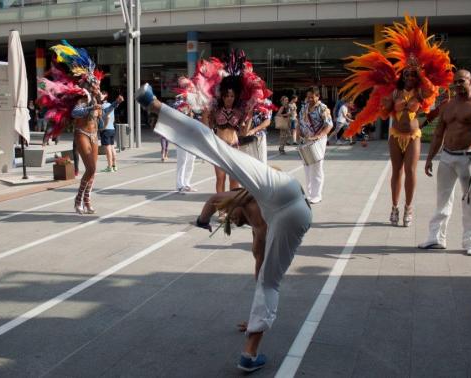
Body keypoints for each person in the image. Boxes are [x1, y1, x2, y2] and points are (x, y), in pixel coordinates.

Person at [136, 83, 312, 373]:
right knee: (218, 148)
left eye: (236, 220)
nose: (239, 223)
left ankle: (155, 106)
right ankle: (249, 354)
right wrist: (203, 220)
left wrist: (203, 221)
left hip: (287, 201)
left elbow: (213, 201)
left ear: (237, 211)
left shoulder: (248, 206)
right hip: (291, 202)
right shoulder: (249, 205)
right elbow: (214, 202)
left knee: (218, 149)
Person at [339, 16, 453, 227]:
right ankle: (394, 208)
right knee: (396, 171)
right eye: (407, 73)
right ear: (402, 76)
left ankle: (408, 209)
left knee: (410, 171)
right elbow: (383, 115)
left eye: (413, 74)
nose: (409, 76)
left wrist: (421, 73)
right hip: (395, 135)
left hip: (413, 136)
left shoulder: (421, 92)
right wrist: (386, 105)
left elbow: (429, 99)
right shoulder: (394, 92)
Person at [37, 40, 122, 214]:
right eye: (96, 85)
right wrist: (92, 107)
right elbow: (76, 112)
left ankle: (87, 200)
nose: (98, 87)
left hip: (94, 134)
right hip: (82, 133)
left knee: (93, 171)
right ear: (90, 85)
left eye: (99, 85)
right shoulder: (83, 97)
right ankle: (78, 200)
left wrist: (115, 104)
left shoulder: (97, 99)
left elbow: (104, 114)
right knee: (90, 168)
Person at [419, 69, 471, 256]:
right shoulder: (447, 106)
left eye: (462, 81)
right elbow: (438, 134)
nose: (458, 85)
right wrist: (429, 158)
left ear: (470, 81)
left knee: (470, 201)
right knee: (442, 199)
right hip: (446, 156)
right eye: (455, 82)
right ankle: (436, 238)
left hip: (468, 158)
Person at [298, 86, 333, 204]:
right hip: (306, 140)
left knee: (316, 167)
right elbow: (299, 122)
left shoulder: (322, 108)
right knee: (307, 167)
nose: (309, 99)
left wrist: (319, 136)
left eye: (312, 97)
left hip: (318, 140)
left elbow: (329, 125)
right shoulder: (304, 107)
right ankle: (310, 194)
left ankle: (317, 195)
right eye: (308, 97)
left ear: (318, 96)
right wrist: (299, 134)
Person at [173, 96, 197, 192]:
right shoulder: (179, 102)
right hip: (181, 137)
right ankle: (180, 184)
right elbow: (178, 116)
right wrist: (186, 110)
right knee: (182, 160)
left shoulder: (195, 102)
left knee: (191, 160)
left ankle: (187, 183)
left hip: (192, 137)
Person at [240, 99, 272, 164]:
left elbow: (267, 121)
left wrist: (254, 130)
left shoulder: (267, 103)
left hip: (259, 137)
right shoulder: (244, 101)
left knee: (261, 163)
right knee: (246, 164)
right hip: (244, 138)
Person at [100, 90, 123, 173]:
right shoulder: (110, 105)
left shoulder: (102, 106)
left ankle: (109, 167)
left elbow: (108, 117)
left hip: (106, 130)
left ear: (104, 96)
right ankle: (114, 165)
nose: (99, 95)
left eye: (101, 94)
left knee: (108, 149)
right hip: (112, 129)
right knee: (113, 148)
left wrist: (103, 127)